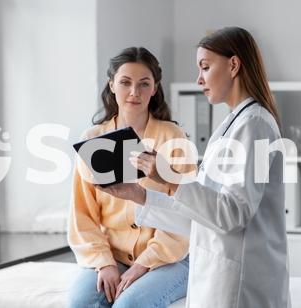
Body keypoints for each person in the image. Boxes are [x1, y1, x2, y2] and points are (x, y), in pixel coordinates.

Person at [100, 27, 290, 307]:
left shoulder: (255, 124)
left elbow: (233, 214)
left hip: (241, 282)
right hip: (218, 273)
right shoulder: (231, 125)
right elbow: (202, 215)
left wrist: (170, 178)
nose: (199, 79)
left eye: (205, 67)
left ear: (234, 65)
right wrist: (138, 195)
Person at [67, 47, 191, 308]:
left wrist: (142, 266)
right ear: (112, 85)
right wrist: (104, 263)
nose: (134, 92)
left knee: (128, 305)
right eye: (125, 82)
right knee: (81, 303)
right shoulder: (93, 140)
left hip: (170, 257)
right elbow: (82, 215)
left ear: (155, 88)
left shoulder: (173, 136)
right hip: (113, 255)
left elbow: (185, 213)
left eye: (144, 84)